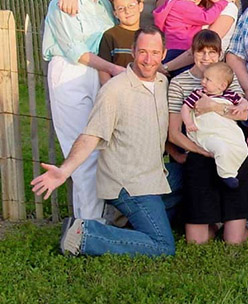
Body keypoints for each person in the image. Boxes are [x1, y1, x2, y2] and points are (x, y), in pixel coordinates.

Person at [32, 26, 175, 257]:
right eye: (142, 52)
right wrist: (64, 171)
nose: (148, 60)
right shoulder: (115, 90)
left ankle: (131, 222)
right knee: (163, 247)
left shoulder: (161, 83)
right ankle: (85, 234)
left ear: (164, 54)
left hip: (155, 175)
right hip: (129, 184)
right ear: (132, 51)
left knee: (191, 178)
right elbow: (91, 135)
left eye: (155, 53)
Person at [42, 0, 126, 220]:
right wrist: (112, 68)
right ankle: (89, 224)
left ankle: (92, 220)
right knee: (82, 151)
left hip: (97, 74)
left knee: (101, 146)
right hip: (72, 74)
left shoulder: (103, 4)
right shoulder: (65, 0)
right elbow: (75, 50)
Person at [168, 29, 248, 244]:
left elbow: (242, 114)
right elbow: (174, 133)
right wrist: (201, 151)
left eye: (212, 53)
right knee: (196, 242)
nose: (206, 58)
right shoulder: (179, 83)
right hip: (200, 153)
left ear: (219, 54)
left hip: (229, 150)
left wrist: (212, 106)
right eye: (201, 52)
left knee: (234, 241)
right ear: (192, 53)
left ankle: (245, 221)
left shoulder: (226, 78)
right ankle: (215, 222)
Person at [160, 0, 241, 75]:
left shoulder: (228, 7)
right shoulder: (197, 5)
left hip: (204, 67)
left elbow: (204, 45)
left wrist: (166, 67)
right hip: (181, 59)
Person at [181, 62, 248, 188]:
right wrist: (188, 122)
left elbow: (244, 103)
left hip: (227, 131)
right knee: (220, 148)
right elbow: (185, 108)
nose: (203, 82)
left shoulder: (230, 95)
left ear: (222, 85)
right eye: (203, 78)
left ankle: (233, 169)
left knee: (242, 148)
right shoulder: (198, 94)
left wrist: (241, 106)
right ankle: (226, 174)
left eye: (208, 79)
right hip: (208, 133)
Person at [98, 0, 142, 85]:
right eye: (121, 8)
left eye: (131, 5)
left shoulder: (149, 35)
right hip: (119, 89)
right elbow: (103, 70)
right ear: (115, 14)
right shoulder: (110, 36)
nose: (127, 11)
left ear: (140, 6)